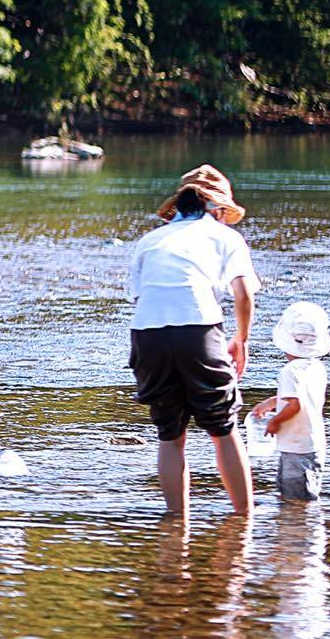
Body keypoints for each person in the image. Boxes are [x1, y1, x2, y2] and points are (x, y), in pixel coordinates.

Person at [128, 164, 258, 516]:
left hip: (147, 334)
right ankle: (243, 522)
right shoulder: (224, 237)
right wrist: (241, 339)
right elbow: (244, 295)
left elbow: (142, 297)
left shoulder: (150, 240)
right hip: (198, 328)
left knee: (170, 434)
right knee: (223, 426)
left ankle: (176, 525)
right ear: (217, 208)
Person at [251, 301, 330, 502]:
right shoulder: (316, 367)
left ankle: (297, 530)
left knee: (296, 500)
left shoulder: (289, 372)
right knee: (304, 494)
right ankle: (303, 530)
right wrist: (271, 403)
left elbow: (295, 405)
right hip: (313, 444)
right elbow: (302, 397)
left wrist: (275, 422)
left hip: (295, 447)